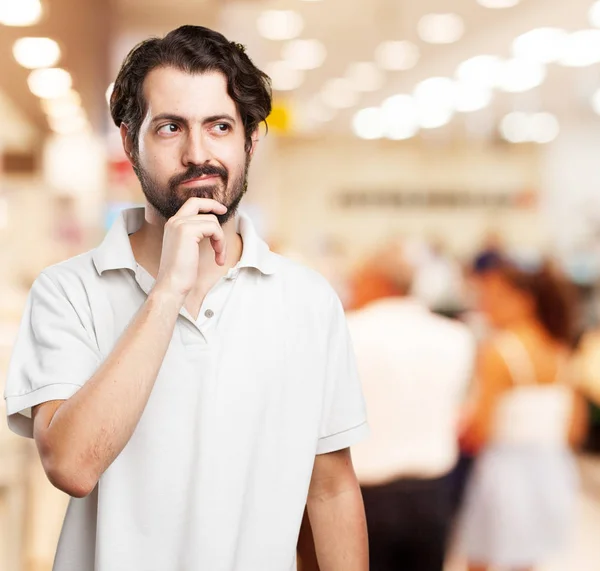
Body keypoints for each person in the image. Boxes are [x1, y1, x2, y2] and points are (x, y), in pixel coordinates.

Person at [3, 26, 369, 571]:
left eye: (220, 126)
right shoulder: (68, 290)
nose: (198, 154)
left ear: (250, 140)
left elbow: (331, 490)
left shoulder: (307, 301)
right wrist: (168, 290)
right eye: (171, 128)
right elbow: (72, 467)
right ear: (129, 141)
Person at [346, 243, 476, 571]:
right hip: (432, 491)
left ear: (377, 282)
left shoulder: (347, 331)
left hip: (363, 494)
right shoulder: (456, 336)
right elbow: (461, 410)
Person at [458, 254, 587, 571]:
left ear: (524, 300)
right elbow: (574, 429)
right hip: (553, 470)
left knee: (482, 558)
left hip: (505, 472)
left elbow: (482, 429)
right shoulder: (559, 349)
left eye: (494, 296)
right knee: (526, 561)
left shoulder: (499, 352)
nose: (485, 305)